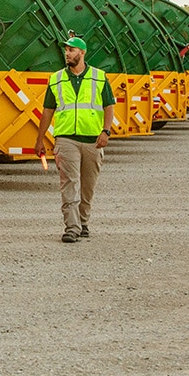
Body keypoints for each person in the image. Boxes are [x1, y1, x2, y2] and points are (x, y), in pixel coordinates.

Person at [35, 36, 116, 243]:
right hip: (65, 139)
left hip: (93, 140)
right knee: (69, 183)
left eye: (71, 50)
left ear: (82, 52)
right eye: (66, 50)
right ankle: (71, 227)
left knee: (88, 185)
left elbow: (109, 106)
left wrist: (106, 131)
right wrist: (40, 139)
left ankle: (83, 222)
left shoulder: (99, 77)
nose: (67, 54)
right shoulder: (56, 79)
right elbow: (47, 111)